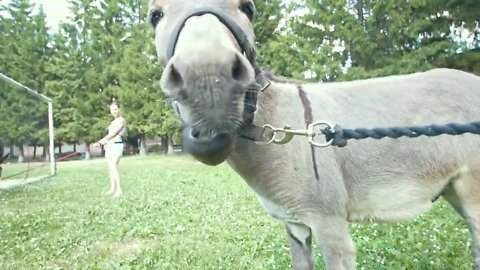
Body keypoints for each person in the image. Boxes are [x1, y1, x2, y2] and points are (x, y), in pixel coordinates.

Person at [94, 100, 127, 198]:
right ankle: (112, 189)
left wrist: (100, 142)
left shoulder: (121, 120)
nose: (114, 111)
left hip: (116, 145)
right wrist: (104, 143)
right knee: (110, 169)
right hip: (109, 146)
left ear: (119, 109)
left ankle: (119, 190)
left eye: (116, 109)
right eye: (112, 110)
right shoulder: (112, 121)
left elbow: (113, 134)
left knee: (114, 167)